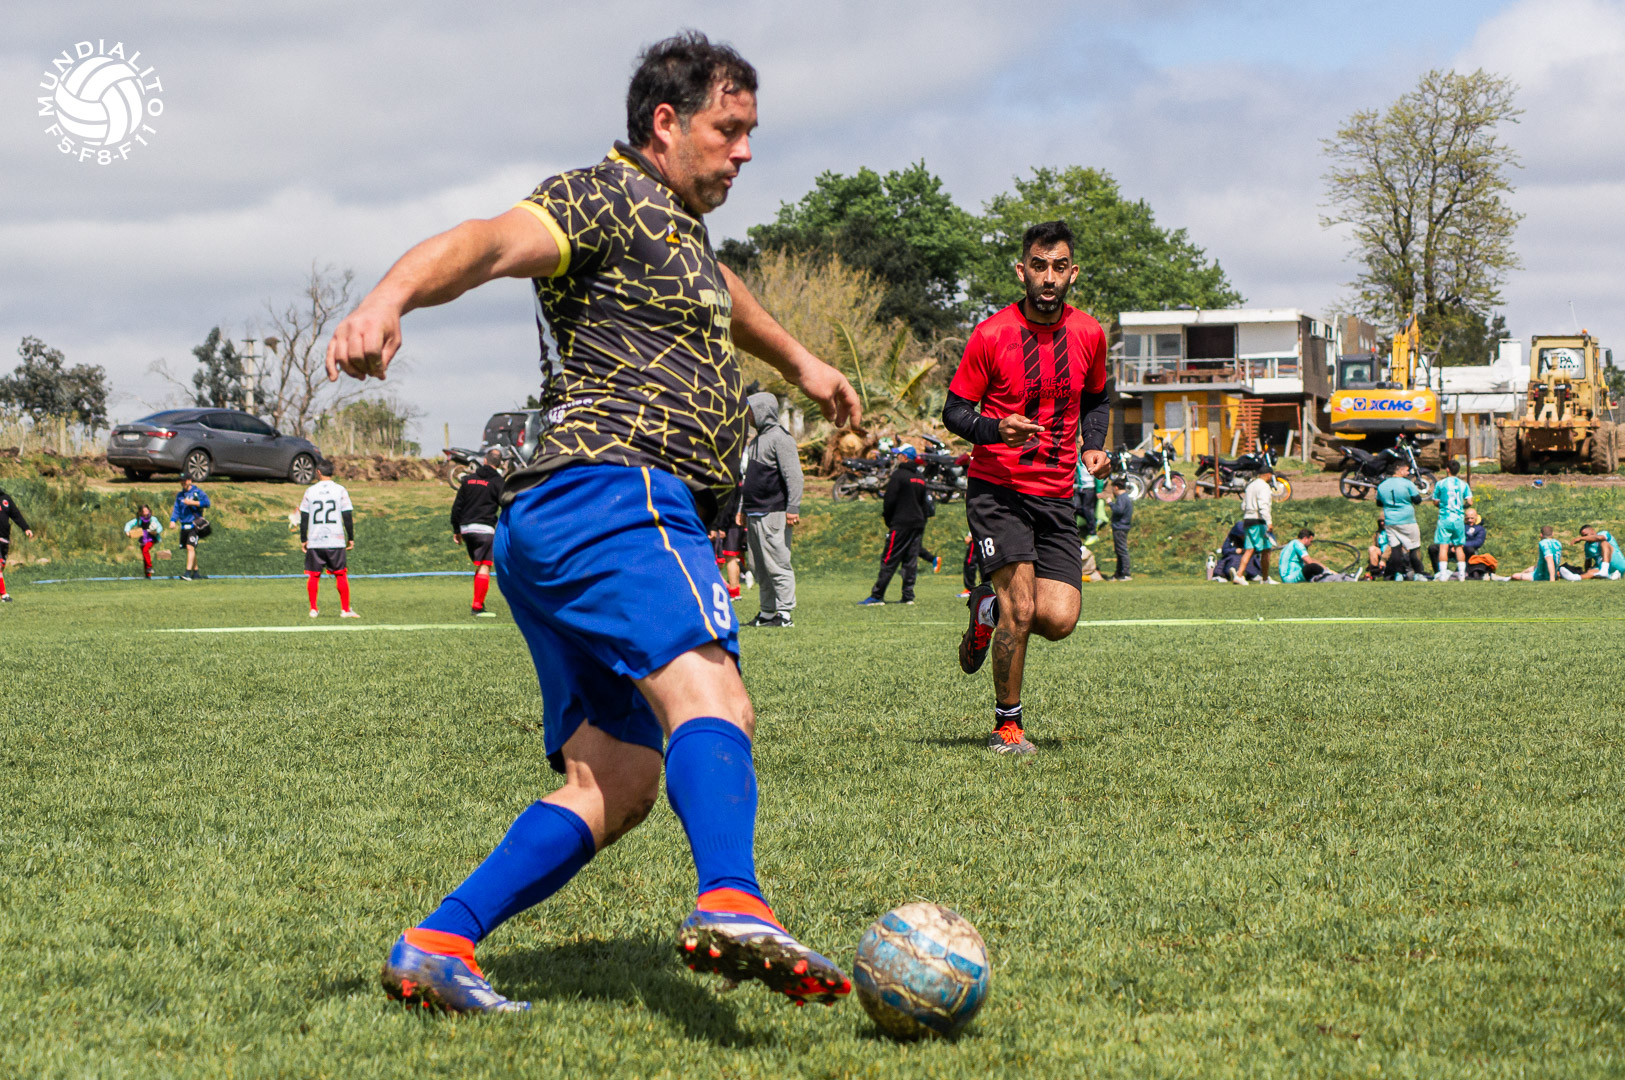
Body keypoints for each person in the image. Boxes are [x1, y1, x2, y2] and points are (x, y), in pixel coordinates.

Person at [323, 32, 861, 1013]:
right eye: (728, 130)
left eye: (750, 132)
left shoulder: (680, 234)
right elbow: (487, 241)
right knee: (712, 695)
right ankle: (733, 899)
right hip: (618, 493)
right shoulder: (599, 197)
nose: (744, 151)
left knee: (614, 778)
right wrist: (388, 298)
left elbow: (727, 298)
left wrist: (803, 364)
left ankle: (437, 943)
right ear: (665, 122)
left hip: (558, 521)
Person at [941, 219, 1111, 755]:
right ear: (1022, 270)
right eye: (1039, 266)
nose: (1049, 277)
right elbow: (955, 411)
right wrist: (996, 429)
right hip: (998, 489)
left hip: (1056, 494)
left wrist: (1094, 445)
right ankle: (1008, 726)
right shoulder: (991, 334)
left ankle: (984, 610)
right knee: (1020, 607)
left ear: (1073, 273)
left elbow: (1098, 398)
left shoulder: (1090, 333)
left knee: (1057, 619)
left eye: (1059, 267)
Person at [738, 391, 802, 628]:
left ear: (762, 411)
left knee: (777, 563)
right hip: (754, 511)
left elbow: (794, 476)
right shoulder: (756, 440)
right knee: (759, 567)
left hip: (773, 511)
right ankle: (767, 613)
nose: (748, 415)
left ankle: (784, 614)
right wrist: (742, 509)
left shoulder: (781, 438)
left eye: (750, 411)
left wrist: (793, 507)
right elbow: (750, 479)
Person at [861, 445, 928, 605]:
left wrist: (889, 520)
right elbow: (924, 504)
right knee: (910, 561)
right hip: (918, 524)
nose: (897, 458)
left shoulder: (898, 475)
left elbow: (889, 500)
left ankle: (877, 596)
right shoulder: (920, 477)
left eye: (899, 455)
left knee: (889, 559)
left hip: (901, 524)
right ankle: (908, 596)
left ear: (904, 457)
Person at [300, 457, 358, 618]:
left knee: (314, 575)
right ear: (332, 473)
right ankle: (345, 610)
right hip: (335, 539)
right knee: (340, 574)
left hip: (315, 540)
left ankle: (313, 609)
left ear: (318, 472)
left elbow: (304, 516)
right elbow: (347, 515)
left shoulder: (310, 491)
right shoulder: (340, 490)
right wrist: (350, 537)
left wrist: (303, 539)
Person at [450, 447, 505, 617]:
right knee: (485, 566)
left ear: (485, 461)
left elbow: (457, 507)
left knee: (480, 564)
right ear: (500, 464)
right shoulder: (498, 482)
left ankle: (479, 601)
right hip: (485, 530)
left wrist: (457, 530)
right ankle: (477, 607)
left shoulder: (468, 480)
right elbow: (506, 505)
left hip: (467, 529)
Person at [1376, 460, 1425, 580]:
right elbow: (1417, 500)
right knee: (1414, 547)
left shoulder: (1382, 485)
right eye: (1407, 470)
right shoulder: (1407, 484)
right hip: (1407, 520)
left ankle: (1398, 574)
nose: (1408, 473)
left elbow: (1378, 502)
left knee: (1395, 549)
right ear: (1400, 469)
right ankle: (1418, 573)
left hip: (1390, 521)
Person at [1429, 460, 1474, 580]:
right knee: (1459, 546)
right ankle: (1461, 575)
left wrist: (1441, 506)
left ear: (1447, 469)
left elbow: (1435, 501)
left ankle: (1443, 574)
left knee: (1443, 547)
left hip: (1445, 517)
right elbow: (1470, 501)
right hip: (1458, 518)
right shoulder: (1463, 484)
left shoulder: (1440, 483)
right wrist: (1462, 507)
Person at [1231, 464, 1275, 585]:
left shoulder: (1250, 485)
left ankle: (1239, 575)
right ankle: (1265, 578)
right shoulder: (1264, 486)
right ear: (1268, 475)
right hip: (1258, 520)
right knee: (1266, 549)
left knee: (1249, 549)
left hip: (1247, 519)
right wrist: (1268, 521)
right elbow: (1263, 505)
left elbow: (1243, 505)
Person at [169, 476, 210, 580]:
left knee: (190, 547)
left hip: (194, 525)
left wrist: (193, 503)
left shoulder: (197, 492)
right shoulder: (180, 495)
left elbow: (207, 503)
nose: (183, 483)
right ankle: (196, 573)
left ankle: (187, 573)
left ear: (190, 481)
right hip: (184, 525)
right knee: (190, 548)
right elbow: (177, 509)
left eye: (185, 481)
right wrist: (173, 520)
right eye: (181, 481)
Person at [0, 487, 34, 603]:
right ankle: (4, 595)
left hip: (4, 538)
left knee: (2, 566)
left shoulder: (5, 499)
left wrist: (26, 528)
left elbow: (16, 515)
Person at [123, 504, 163, 579]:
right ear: (140, 512)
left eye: (146, 511)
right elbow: (129, 524)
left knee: (145, 550)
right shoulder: (139, 520)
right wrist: (127, 531)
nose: (145, 513)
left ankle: (150, 567)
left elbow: (160, 527)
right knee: (145, 556)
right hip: (143, 539)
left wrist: (156, 532)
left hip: (151, 538)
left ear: (149, 510)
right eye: (143, 511)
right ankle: (148, 575)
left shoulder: (153, 519)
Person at [1108, 477, 1133, 581]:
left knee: (1122, 550)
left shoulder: (1122, 498)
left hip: (1120, 527)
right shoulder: (1125, 497)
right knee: (1119, 550)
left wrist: (1110, 503)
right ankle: (1118, 573)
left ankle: (1126, 573)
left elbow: (1118, 510)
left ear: (1116, 488)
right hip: (1122, 527)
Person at [1364, 515, 1391, 580]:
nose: (1382, 523)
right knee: (1372, 548)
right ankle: (1375, 572)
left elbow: (1392, 545)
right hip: (1380, 552)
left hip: (1390, 552)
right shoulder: (1378, 533)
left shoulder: (1391, 532)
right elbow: (1374, 545)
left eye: (1383, 521)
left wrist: (1384, 558)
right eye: (1380, 521)